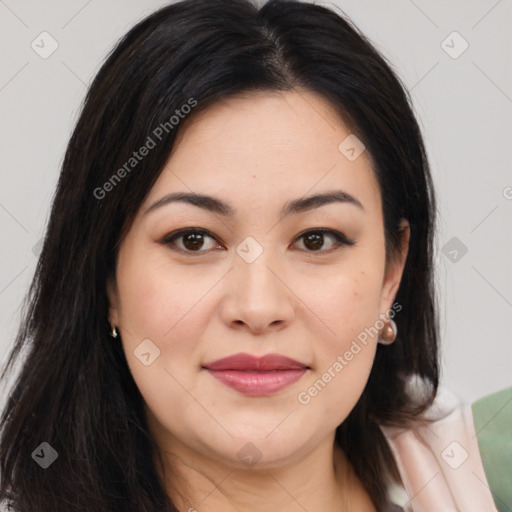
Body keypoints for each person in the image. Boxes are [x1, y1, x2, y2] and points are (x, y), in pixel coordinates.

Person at [0, 0, 508, 510]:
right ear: (107, 277)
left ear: (390, 274)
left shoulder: (491, 471)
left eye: (316, 239)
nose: (259, 307)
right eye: (194, 239)